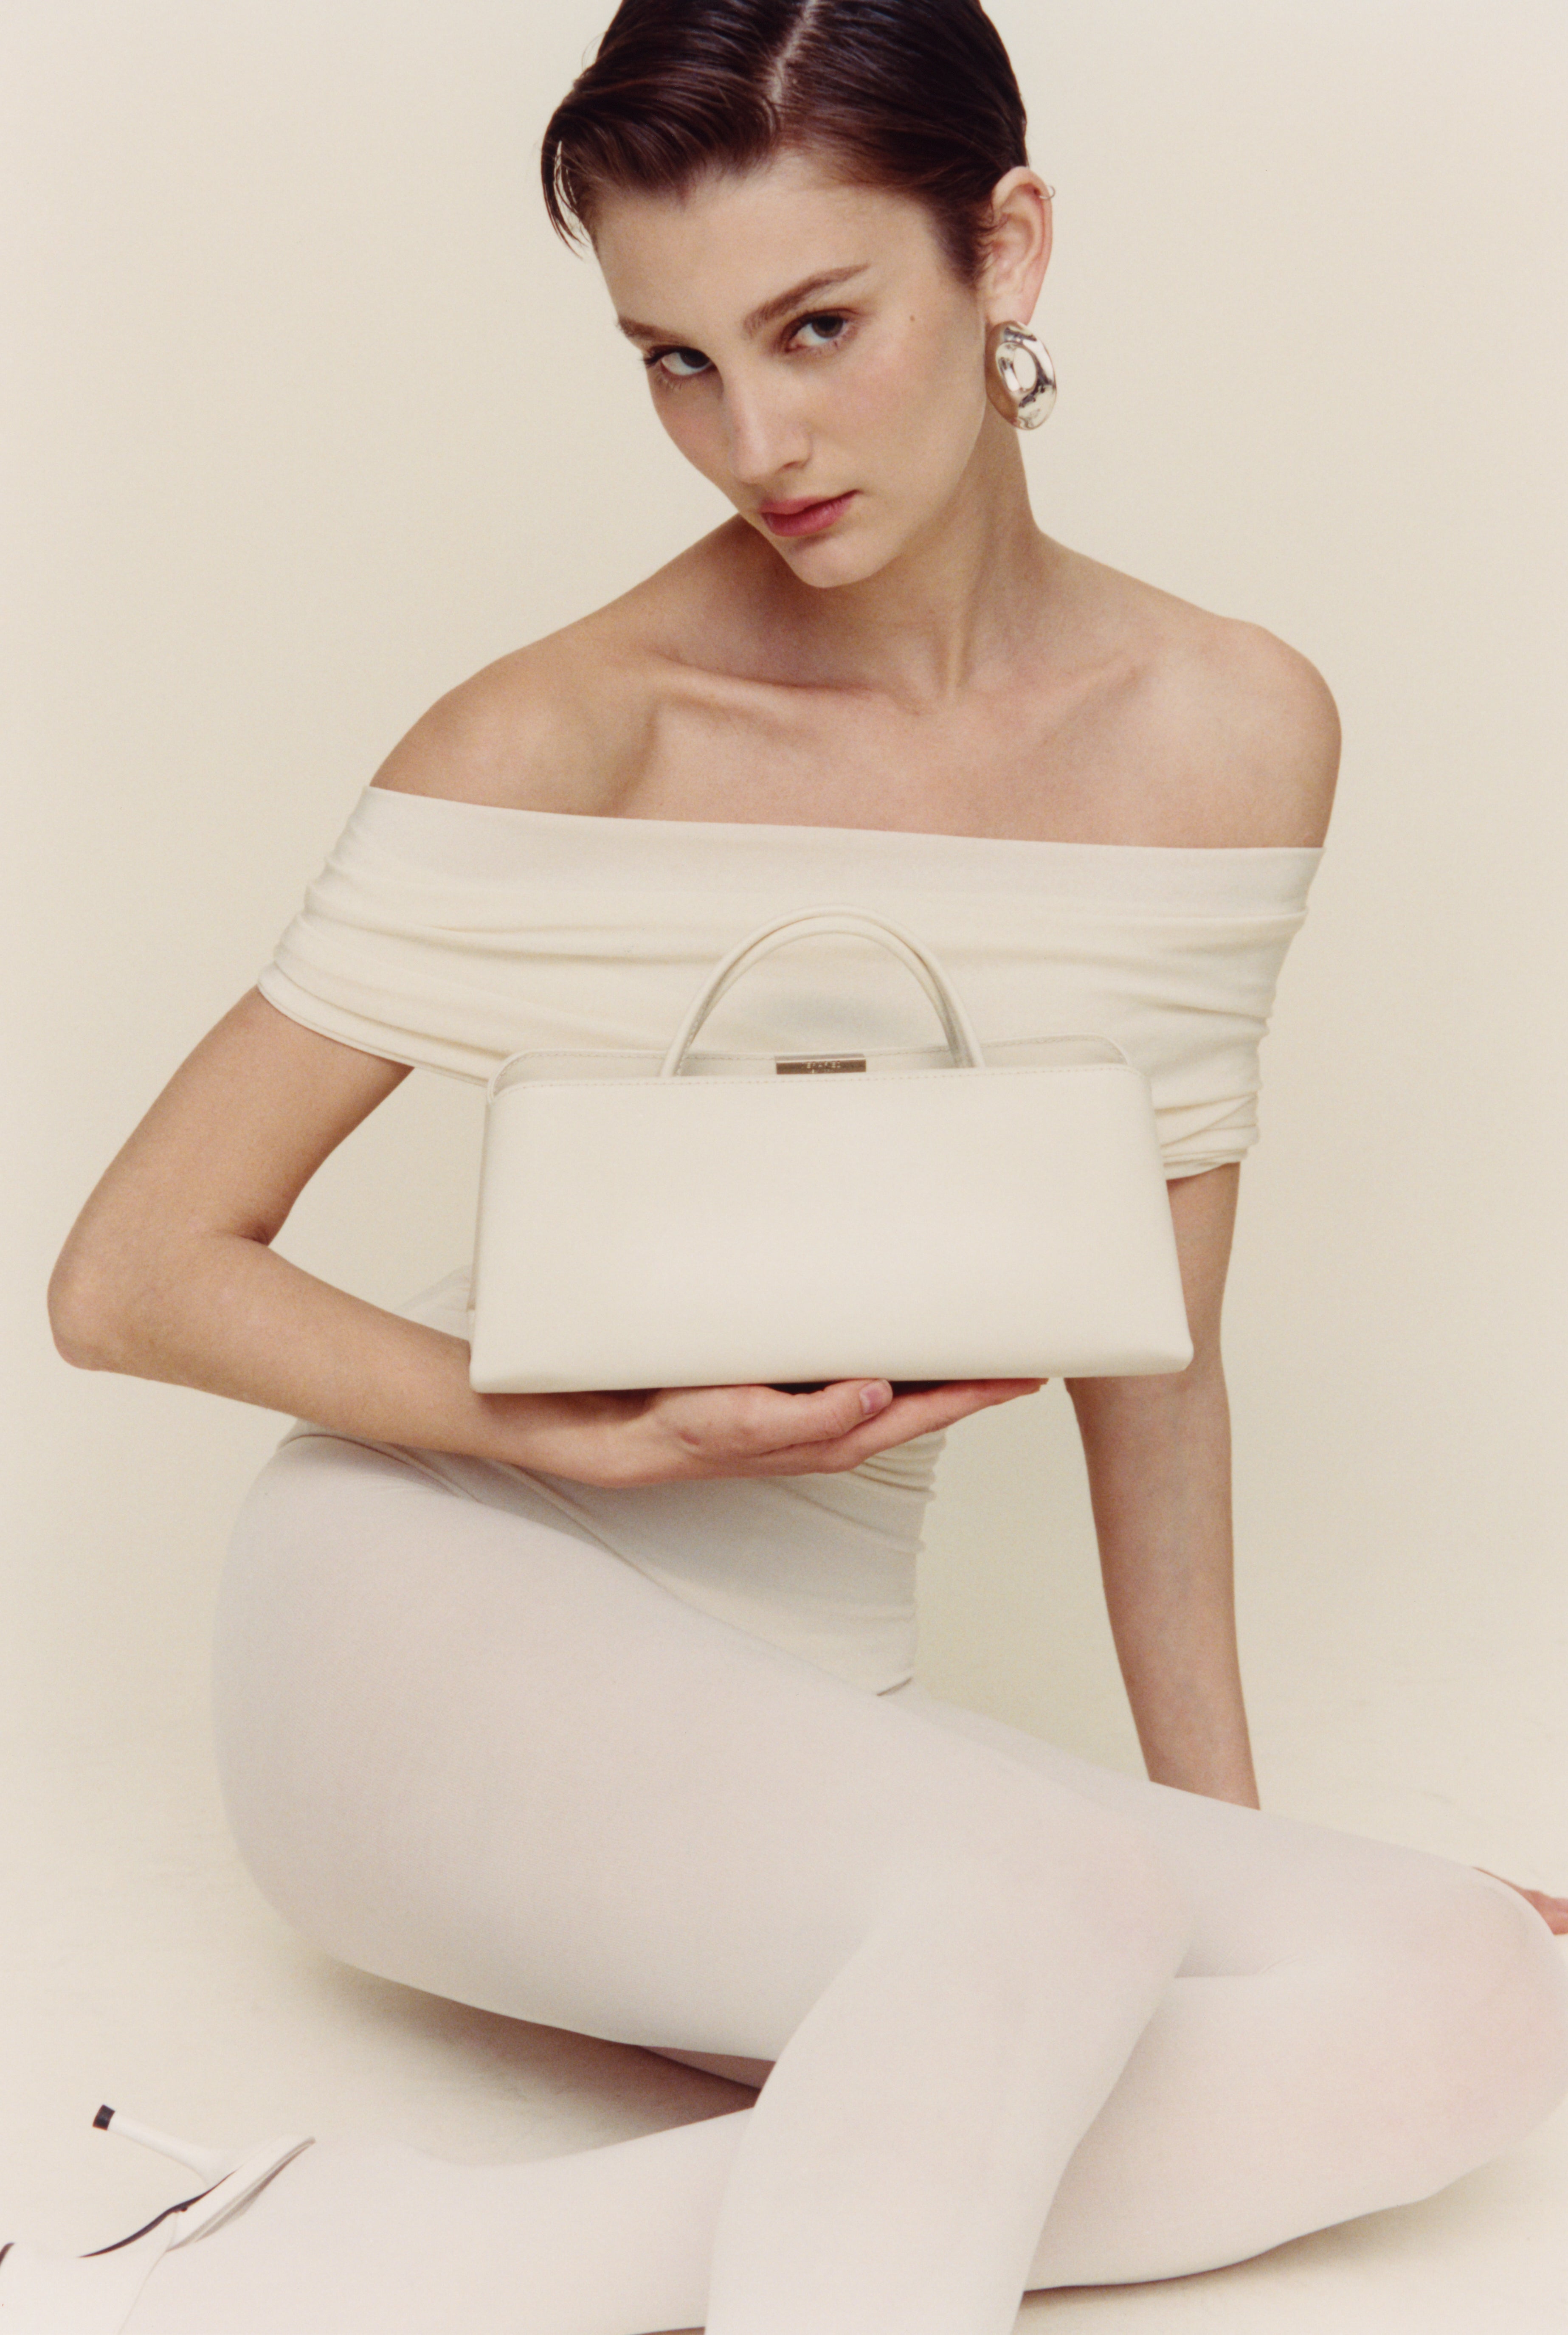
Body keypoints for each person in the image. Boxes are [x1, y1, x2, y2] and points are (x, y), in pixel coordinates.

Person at [31, 3, 1568, 2329]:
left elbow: (1160, 1359)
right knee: (1048, 1910)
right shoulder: (573, 734)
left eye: (819, 327)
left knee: (1466, 1989)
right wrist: (572, 1427)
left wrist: (1242, 1856)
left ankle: (318, 2260)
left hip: (816, 1719)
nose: (755, 442)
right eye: (676, 360)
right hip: (430, 1616)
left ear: (1005, 249)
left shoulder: (1234, 732)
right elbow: (130, 1273)